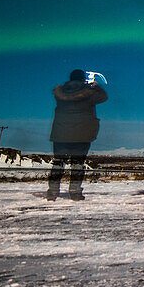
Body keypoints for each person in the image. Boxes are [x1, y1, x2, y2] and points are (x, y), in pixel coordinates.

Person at [47, 69, 107, 201]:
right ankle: (74, 192)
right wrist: (94, 86)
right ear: (82, 79)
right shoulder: (89, 93)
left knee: (58, 163)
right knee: (78, 163)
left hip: (61, 133)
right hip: (82, 133)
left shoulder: (60, 93)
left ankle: (52, 191)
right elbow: (103, 97)